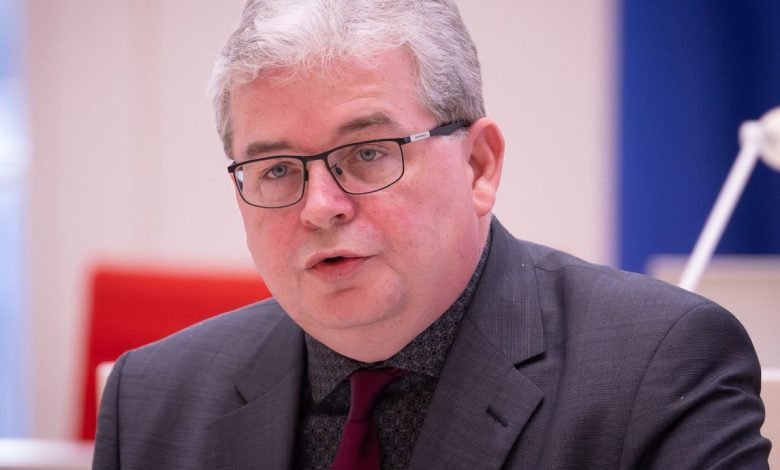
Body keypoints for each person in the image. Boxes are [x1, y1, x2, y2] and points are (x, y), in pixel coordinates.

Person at [92, 0, 771, 468]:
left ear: (479, 166)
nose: (320, 207)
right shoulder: (154, 398)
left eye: (368, 153)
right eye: (276, 169)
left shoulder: (658, 367)